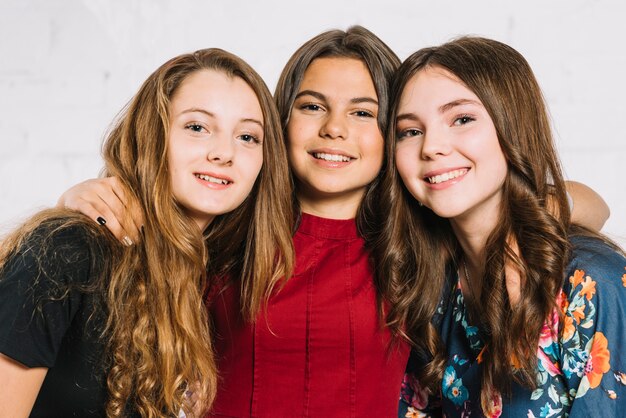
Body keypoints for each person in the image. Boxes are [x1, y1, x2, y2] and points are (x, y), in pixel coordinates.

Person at [55, 28, 610, 417]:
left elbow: (591, 203)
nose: (335, 129)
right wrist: (84, 195)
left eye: (364, 112)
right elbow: (141, 237)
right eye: (312, 106)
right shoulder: (230, 227)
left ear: (395, 133)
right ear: (280, 120)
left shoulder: (418, 241)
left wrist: (529, 223)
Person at [0, 48, 294, 417]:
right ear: (153, 136)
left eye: (248, 137)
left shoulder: (207, 278)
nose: (224, 152)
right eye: (197, 127)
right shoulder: (67, 250)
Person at [382, 36, 626, 417]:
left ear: (513, 127)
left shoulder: (590, 285)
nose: (431, 147)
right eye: (410, 131)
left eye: (462, 119)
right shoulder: (433, 287)